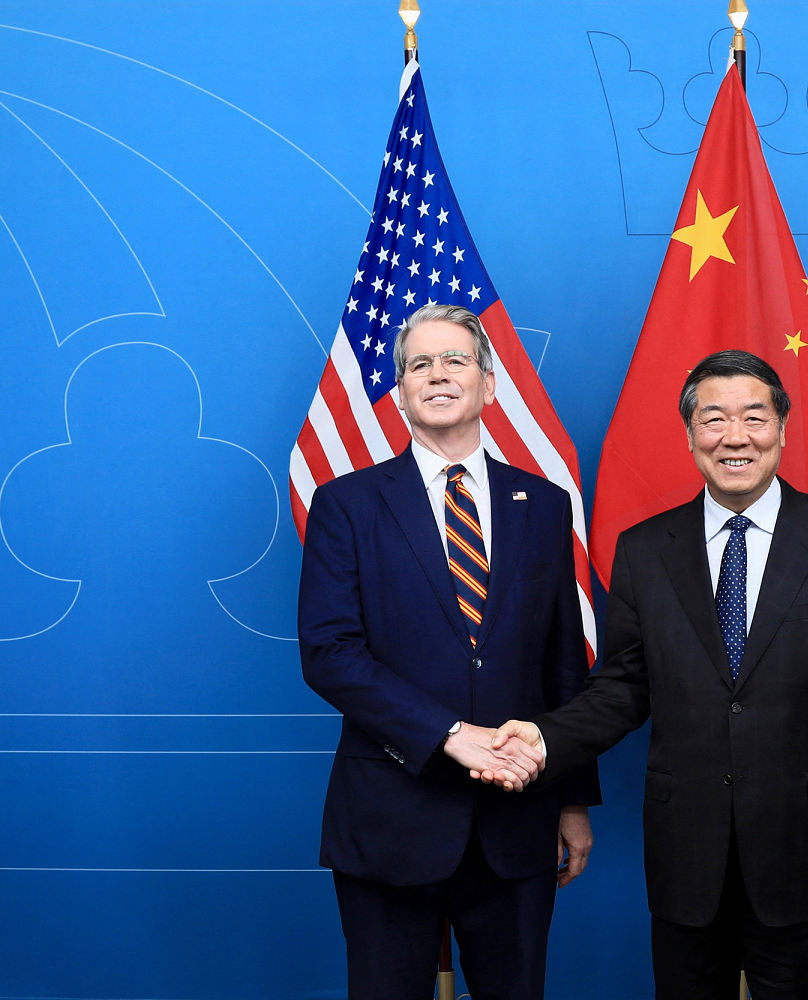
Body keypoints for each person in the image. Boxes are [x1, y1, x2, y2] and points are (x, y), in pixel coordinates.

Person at [485, 349, 808, 998]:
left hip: (804, 846)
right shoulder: (645, 549)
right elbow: (622, 688)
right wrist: (542, 739)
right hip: (687, 852)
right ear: (690, 436)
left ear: (783, 430)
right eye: (714, 419)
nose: (735, 437)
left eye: (754, 418)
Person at [298, 303, 600, 1000]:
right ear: (399, 392)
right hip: (390, 819)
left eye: (455, 360)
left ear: (489, 384)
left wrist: (573, 800)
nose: (438, 375)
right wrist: (451, 737)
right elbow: (330, 653)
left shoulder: (547, 504)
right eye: (419, 365)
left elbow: (563, 664)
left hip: (517, 825)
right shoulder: (345, 504)